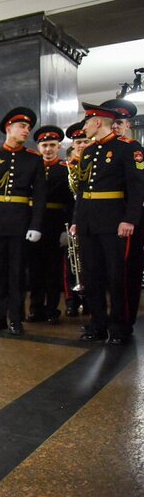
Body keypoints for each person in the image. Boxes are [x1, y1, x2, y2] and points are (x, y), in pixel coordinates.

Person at [71, 101, 144, 345]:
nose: (85, 127)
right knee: (92, 275)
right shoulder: (89, 151)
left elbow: (137, 187)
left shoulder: (128, 147)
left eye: (87, 122)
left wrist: (130, 219)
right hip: (89, 222)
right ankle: (98, 323)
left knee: (116, 276)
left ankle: (120, 326)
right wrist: (76, 220)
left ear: (98, 122)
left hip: (115, 222)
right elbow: (82, 189)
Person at [0, 107, 46, 337]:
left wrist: (35, 225)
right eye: (22, 127)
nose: (26, 131)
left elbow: (40, 196)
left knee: (17, 273)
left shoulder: (34, 159)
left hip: (20, 221)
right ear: (9, 128)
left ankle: (16, 318)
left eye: (28, 128)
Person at [26, 125, 74, 324]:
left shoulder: (66, 170)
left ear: (59, 147)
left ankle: (52, 309)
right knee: (34, 269)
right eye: (44, 145)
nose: (48, 149)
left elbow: (71, 203)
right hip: (32, 223)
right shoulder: (30, 167)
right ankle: (36, 308)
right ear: (38, 147)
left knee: (53, 270)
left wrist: (68, 228)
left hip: (55, 223)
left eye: (52, 145)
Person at [102, 98, 142, 330]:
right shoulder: (101, 151)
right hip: (106, 218)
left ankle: (124, 319)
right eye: (112, 122)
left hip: (128, 218)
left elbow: (137, 187)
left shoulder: (133, 149)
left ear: (128, 125)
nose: (116, 126)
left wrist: (130, 218)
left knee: (126, 272)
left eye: (120, 122)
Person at [64, 122, 90, 318]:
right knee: (70, 262)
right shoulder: (66, 167)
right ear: (73, 145)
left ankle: (89, 299)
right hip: (68, 218)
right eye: (78, 142)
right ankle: (71, 300)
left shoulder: (93, 164)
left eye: (85, 141)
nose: (82, 145)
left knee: (89, 262)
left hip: (90, 217)